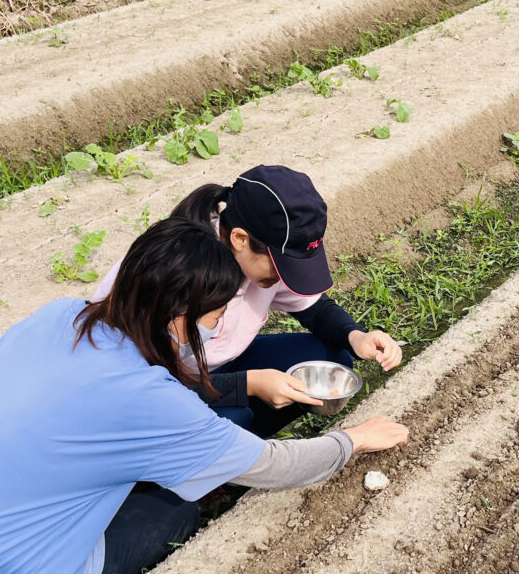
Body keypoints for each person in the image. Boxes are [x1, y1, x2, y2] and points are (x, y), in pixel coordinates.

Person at [0, 219, 408, 574]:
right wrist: (354, 440)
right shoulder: (148, 398)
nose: (214, 330)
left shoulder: (59, 316)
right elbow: (270, 466)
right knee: (178, 504)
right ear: (177, 315)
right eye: (212, 318)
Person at [93, 164, 403, 438]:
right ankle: (209, 468)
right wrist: (248, 385)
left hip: (219, 364)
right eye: (282, 266)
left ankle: (239, 448)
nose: (285, 278)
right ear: (240, 239)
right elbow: (141, 389)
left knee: (331, 359)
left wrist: (356, 335)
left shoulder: (252, 255)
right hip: (157, 388)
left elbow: (313, 307)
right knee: (234, 418)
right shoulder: (176, 272)